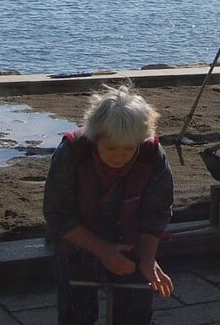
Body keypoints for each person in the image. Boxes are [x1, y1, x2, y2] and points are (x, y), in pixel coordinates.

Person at [43, 84, 175, 325]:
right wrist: (103, 250)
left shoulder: (152, 156)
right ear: (96, 138)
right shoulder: (72, 153)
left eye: (128, 148)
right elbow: (57, 214)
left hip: (130, 241)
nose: (119, 156)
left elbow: (156, 212)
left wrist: (147, 258)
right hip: (77, 242)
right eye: (111, 147)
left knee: (136, 314)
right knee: (76, 315)